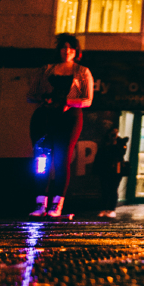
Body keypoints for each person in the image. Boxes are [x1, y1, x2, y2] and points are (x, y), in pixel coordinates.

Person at [27, 34, 94, 218]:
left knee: (61, 160)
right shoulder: (46, 70)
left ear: (76, 51)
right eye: (63, 48)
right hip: (45, 117)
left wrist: (67, 101)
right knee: (41, 161)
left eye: (71, 48)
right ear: (58, 50)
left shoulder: (82, 71)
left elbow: (87, 100)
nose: (67, 51)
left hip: (69, 117)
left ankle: (57, 205)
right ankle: (40, 204)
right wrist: (43, 98)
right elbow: (31, 94)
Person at [94, 118, 128, 218]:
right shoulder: (104, 142)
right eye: (112, 133)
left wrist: (115, 143)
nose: (114, 135)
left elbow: (121, 153)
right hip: (104, 168)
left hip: (116, 169)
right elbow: (100, 155)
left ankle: (111, 209)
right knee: (104, 189)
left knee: (113, 189)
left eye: (116, 133)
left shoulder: (120, 142)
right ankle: (104, 208)